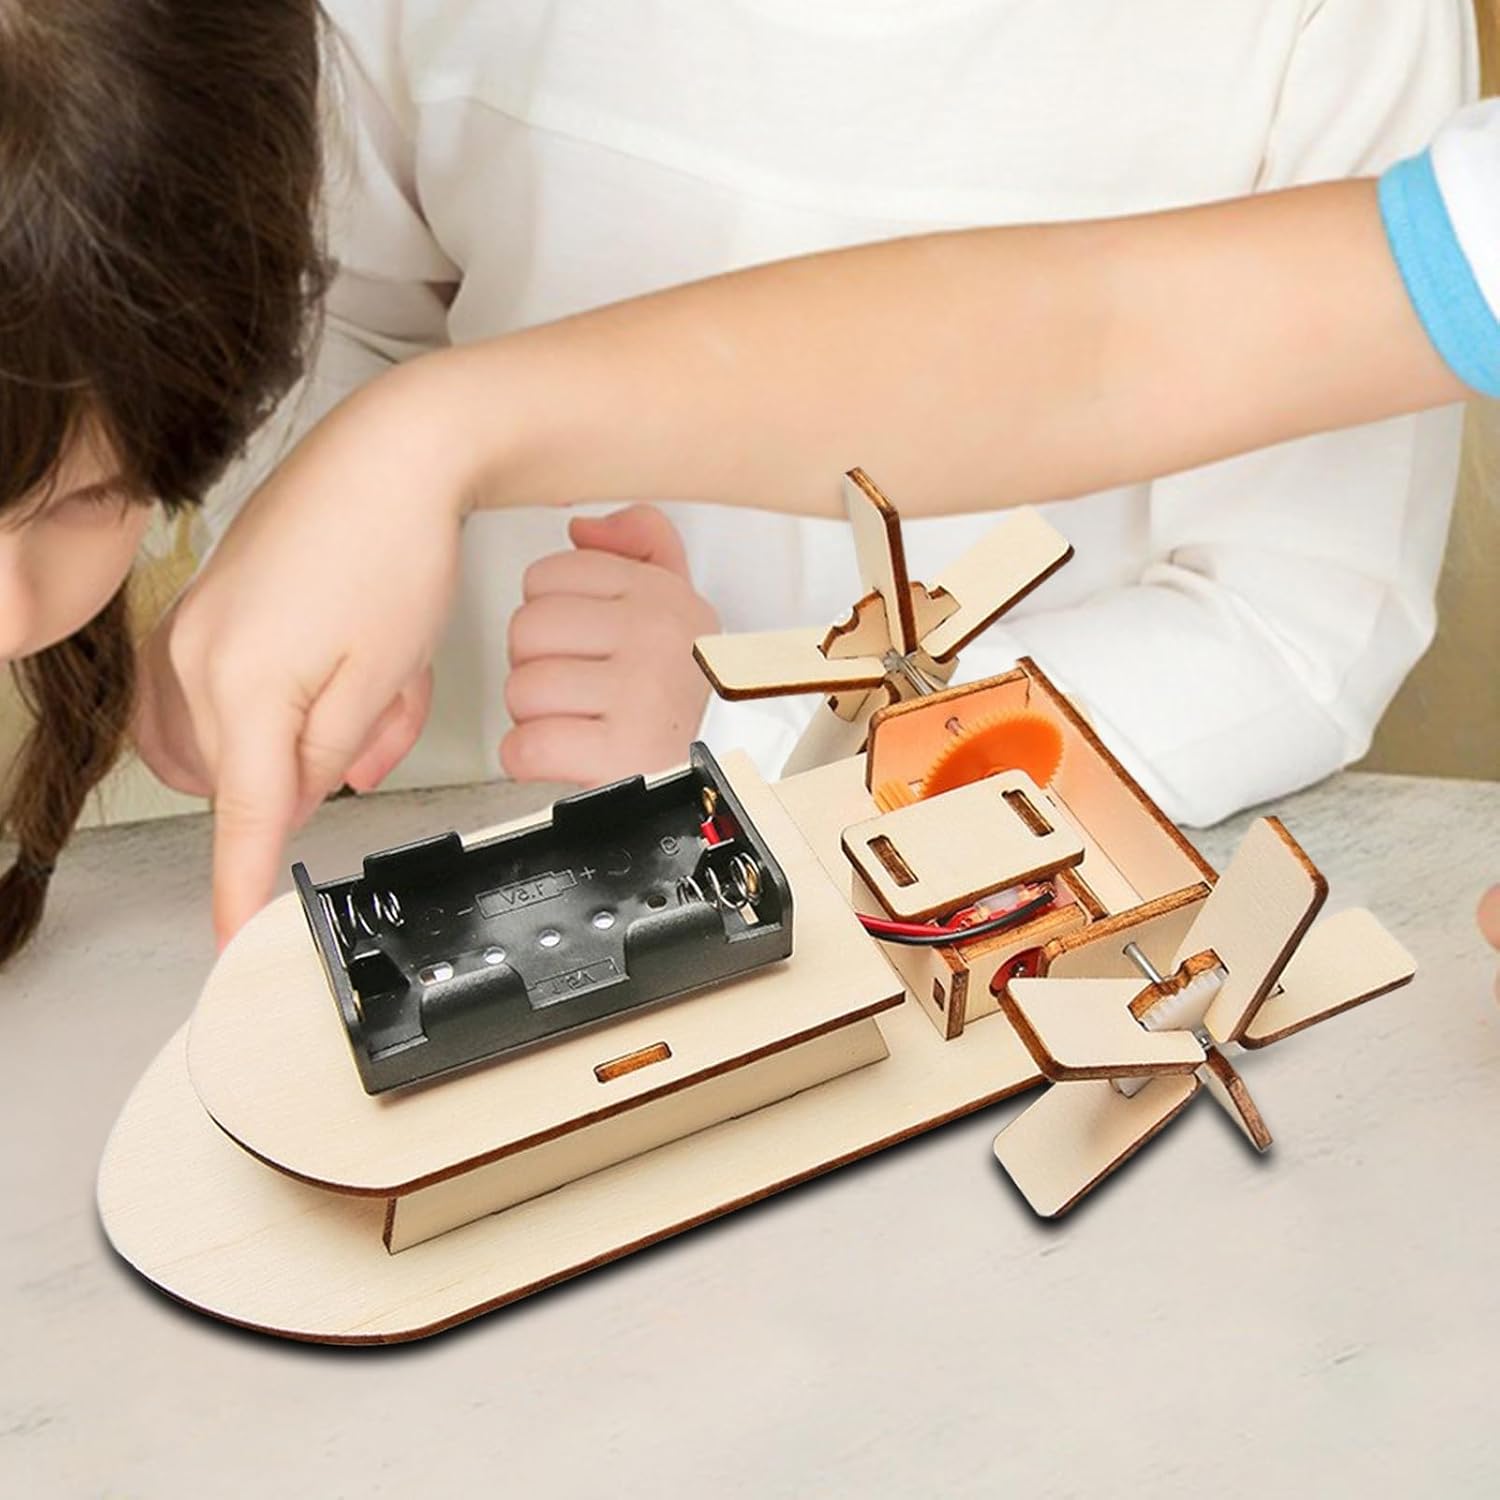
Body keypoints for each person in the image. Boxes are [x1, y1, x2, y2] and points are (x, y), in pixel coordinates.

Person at [0, 0, 1480, 959]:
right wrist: (288, 610)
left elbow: (1292, 619)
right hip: (457, 890)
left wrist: (775, 746)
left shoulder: (1300, 34)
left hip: (966, 957)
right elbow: (335, 313)